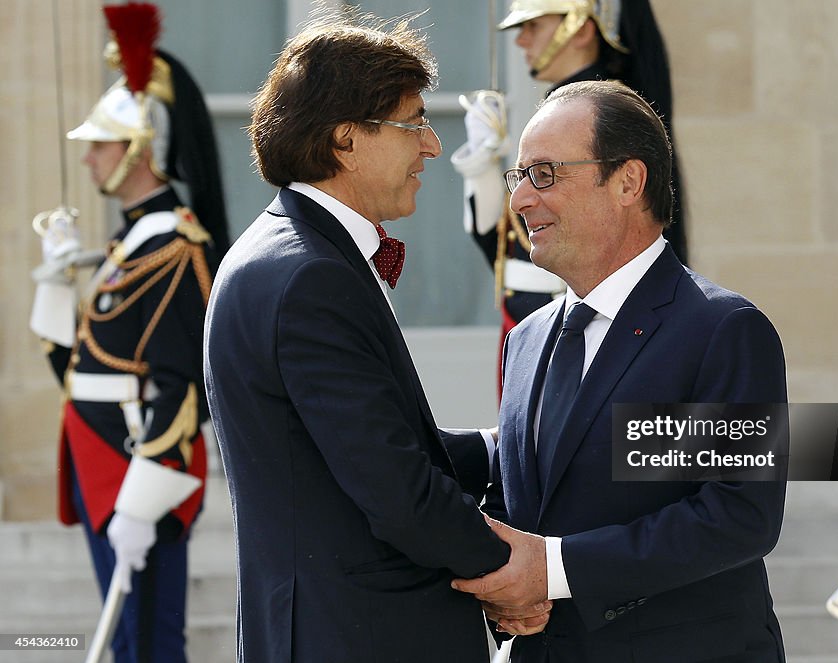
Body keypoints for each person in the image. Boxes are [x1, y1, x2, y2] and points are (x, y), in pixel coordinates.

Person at [203, 13, 551, 662]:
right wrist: (516, 572)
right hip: (361, 635)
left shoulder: (287, 254)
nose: (431, 146)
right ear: (345, 139)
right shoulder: (309, 276)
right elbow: (397, 491)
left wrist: (517, 444)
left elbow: (373, 450)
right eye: (412, 121)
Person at [451, 80, 788, 662]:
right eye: (518, 177)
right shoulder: (526, 340)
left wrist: (555, 571)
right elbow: (517, 502)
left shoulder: (721, 329)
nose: (522, 200)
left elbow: (737, 515)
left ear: (629, 181)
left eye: (545, 175)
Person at [27, 3, 228, 662]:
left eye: (101, 146)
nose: (87, 161)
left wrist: (146, 495)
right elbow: (78, 365)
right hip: (99, 459)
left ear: (140, 150)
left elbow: (181, 388)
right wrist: (56, 283)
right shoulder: (130, 242)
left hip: (136, 467)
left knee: (148, 644)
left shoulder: (174, 244)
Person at [451, 0, 687, 370]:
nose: (521, 41)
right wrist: (480, 166)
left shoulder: (603, 116)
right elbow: (505, 236)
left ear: (581, 29)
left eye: (534, 27)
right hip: (537, 319)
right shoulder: (553, 109)